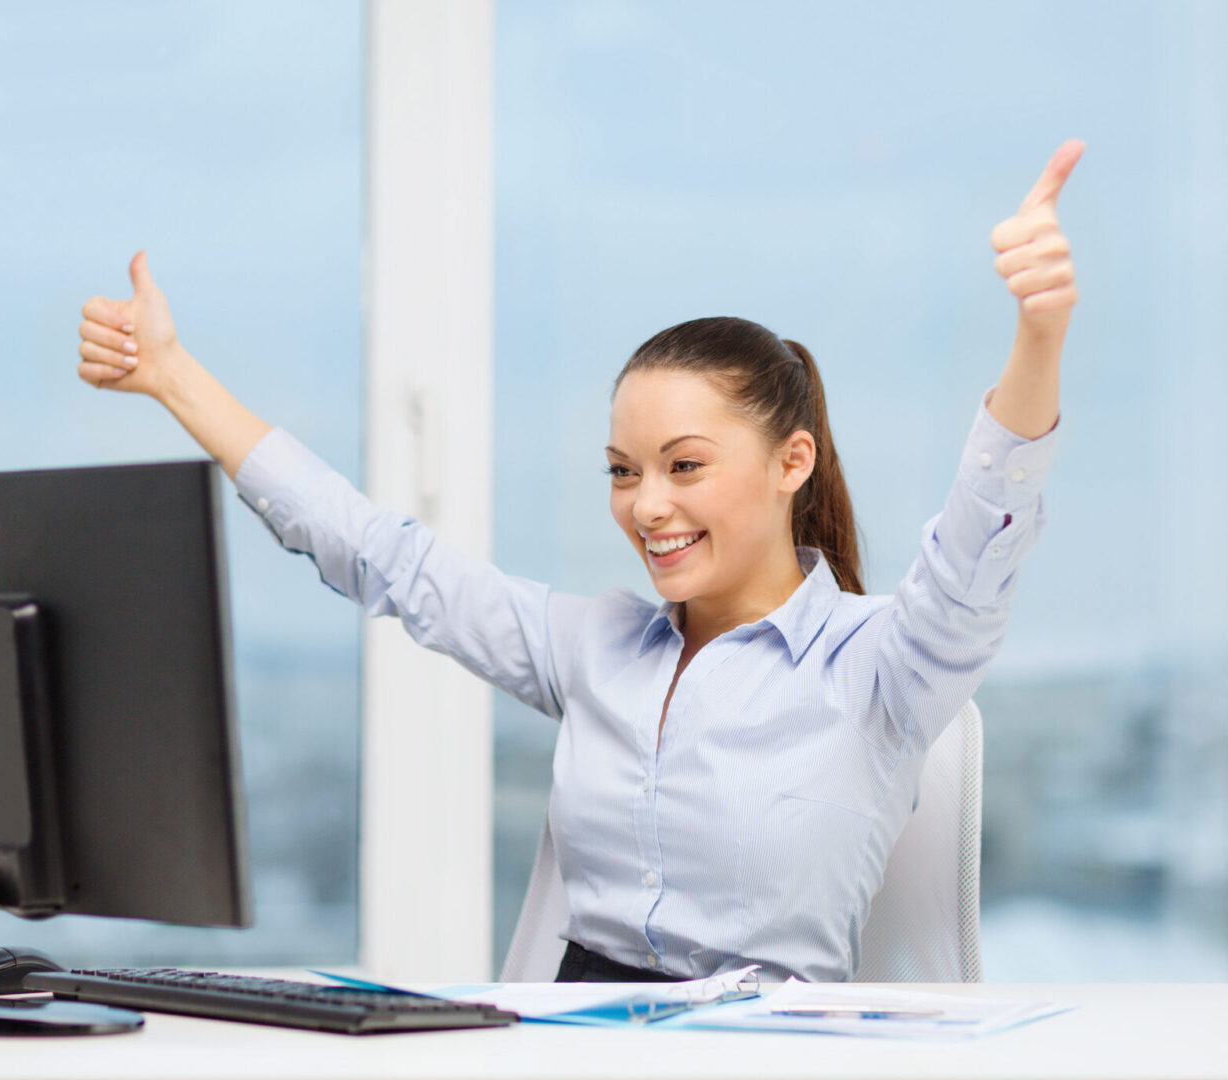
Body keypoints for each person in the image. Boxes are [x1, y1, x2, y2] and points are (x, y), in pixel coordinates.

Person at [76, 139, 1084, 984]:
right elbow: (382, 555)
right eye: (622, 470)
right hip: (563, 1041)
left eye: (685, 466)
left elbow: (976, 547)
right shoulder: (596, 646)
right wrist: (173, 378)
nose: (647, 506)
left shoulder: (886, 666)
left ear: (792, 461)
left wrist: (1037, 334)